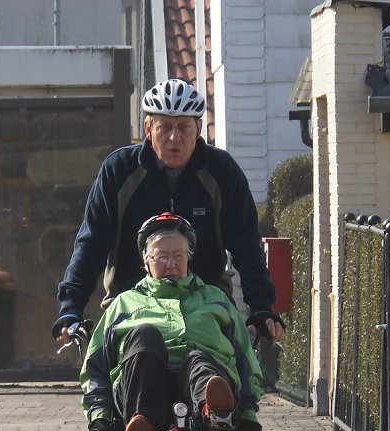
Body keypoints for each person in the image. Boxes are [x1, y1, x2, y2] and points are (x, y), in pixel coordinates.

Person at [80, 213, 264, 431]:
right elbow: (96, 367)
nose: (170, 263)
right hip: (141, 386)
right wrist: (100, 415)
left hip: (199, 383)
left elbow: (246, 362)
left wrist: (249, 413)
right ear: (146, 261)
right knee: (145, 337)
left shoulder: (216, 298)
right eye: (161, 256)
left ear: (189, 258)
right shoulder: (124, 304)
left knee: (201, 358)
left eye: (178, 255)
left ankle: (217, 416)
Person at [53, 78, 284, 346]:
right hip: (133, 306)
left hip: (205, 304)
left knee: (229, 371)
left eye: (184, 127)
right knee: (125, 365)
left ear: (198, 129)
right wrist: (71, 306)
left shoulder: (222, 171)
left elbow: (246, 245)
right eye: (165, 127)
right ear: (148, 129)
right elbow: (91, 243)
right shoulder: (119, 170)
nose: (175, 137)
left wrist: (261, 306)